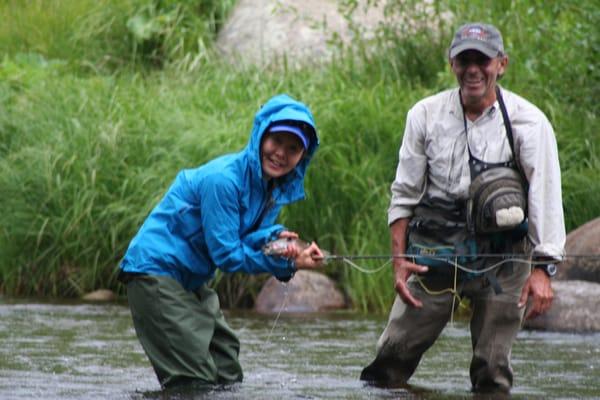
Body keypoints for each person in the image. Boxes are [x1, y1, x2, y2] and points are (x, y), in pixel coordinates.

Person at [360, 23, 565, 393]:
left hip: (504, 259)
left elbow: (545, 198)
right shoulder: (424, 115)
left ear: (500, 64)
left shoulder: (530, 123)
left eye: (482, 60)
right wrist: (399, 260)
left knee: (492, 373)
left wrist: (542, 269)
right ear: (452, 63)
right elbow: (404, 193)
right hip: (436, 252)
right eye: (464, 59)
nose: (473, 68)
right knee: (388, 363)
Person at [118, 94, 324, 389]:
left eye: (293, 149)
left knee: (226, 367)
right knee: (194, 380)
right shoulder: (223, 180)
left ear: (302, 157)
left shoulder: (271, 189)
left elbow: (245, 238)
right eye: (276, 141)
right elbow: (227, 255)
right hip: (154, 272)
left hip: (190, 278)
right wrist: (284, 261)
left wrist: (282, 248)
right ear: (260, 135)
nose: (281, 153)